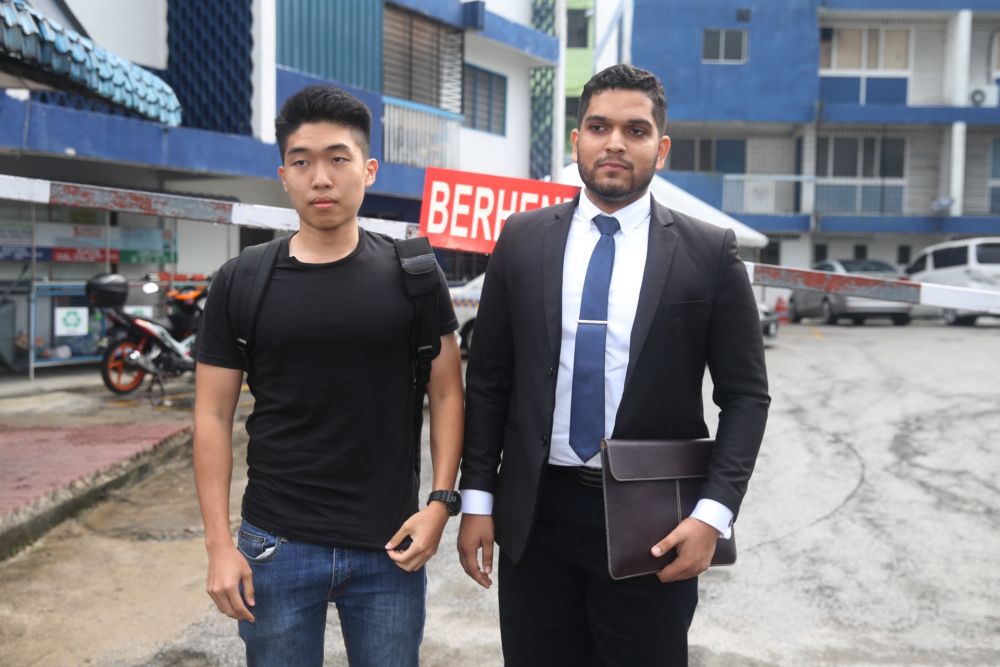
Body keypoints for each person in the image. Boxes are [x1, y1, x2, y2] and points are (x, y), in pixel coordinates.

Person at [456, 64, 770, 665]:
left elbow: (746, 396)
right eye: (598, 127)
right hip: (536, 518)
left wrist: (713, 514)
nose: (615, 143)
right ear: (576, 140)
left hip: (653, 522)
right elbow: (490, 381)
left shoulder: (708, 252)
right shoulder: (521, 240)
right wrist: (477, 502)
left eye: (636, 129)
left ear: (662, 147)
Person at [193, 85, 464, 667]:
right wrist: (220, 545)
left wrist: (440, 503)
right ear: (284, 176)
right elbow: (212, 416)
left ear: (367, 170)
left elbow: (446, 392)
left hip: (390, 547)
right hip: (275, 545)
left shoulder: (415, 274)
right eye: (303, 161)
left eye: (338, 159)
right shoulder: (241, 281)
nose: (321, 177)